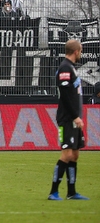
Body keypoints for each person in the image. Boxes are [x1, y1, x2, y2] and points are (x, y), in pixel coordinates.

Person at [49, 39, 89, 200]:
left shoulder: (71, 68)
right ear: (76, 51)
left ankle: (71, 192)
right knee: (66, 154)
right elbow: (65, 95)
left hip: (75, 119)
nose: (81, 54)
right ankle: (53, 192)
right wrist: (75, 116)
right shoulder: (65, 67)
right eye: (80, 51)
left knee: (75, 154)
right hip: (68, 118)